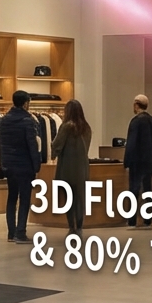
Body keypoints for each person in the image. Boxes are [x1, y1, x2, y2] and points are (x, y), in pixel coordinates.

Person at [0, 90, 41, 244]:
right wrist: (36, 165)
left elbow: (1, 144)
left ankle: (11, 232)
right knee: (24, 199)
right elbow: (32, 145)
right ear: (25, 103)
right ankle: (20, 232)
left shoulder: (4, 120)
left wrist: (2, 164)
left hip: (9, 165)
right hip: (24, 165)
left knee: (11, 197)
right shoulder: (27, 121)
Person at [52, 99, 92, 236]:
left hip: (67, 167)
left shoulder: (66, 127)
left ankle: (71, 226)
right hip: (82, 167)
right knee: (80, 198)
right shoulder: (86, 127)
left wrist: (52, 154)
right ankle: (79, 225)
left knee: (68, 197)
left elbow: (57, 145)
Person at [123, 94, 152, 228]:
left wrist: (127, 161)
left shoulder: (135, 121)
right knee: (148, 190)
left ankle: (132, 220)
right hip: (150, 161)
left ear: (136, 105)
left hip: (137, 161)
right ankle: (148, 219)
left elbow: (131, 143)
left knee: (134, 189)